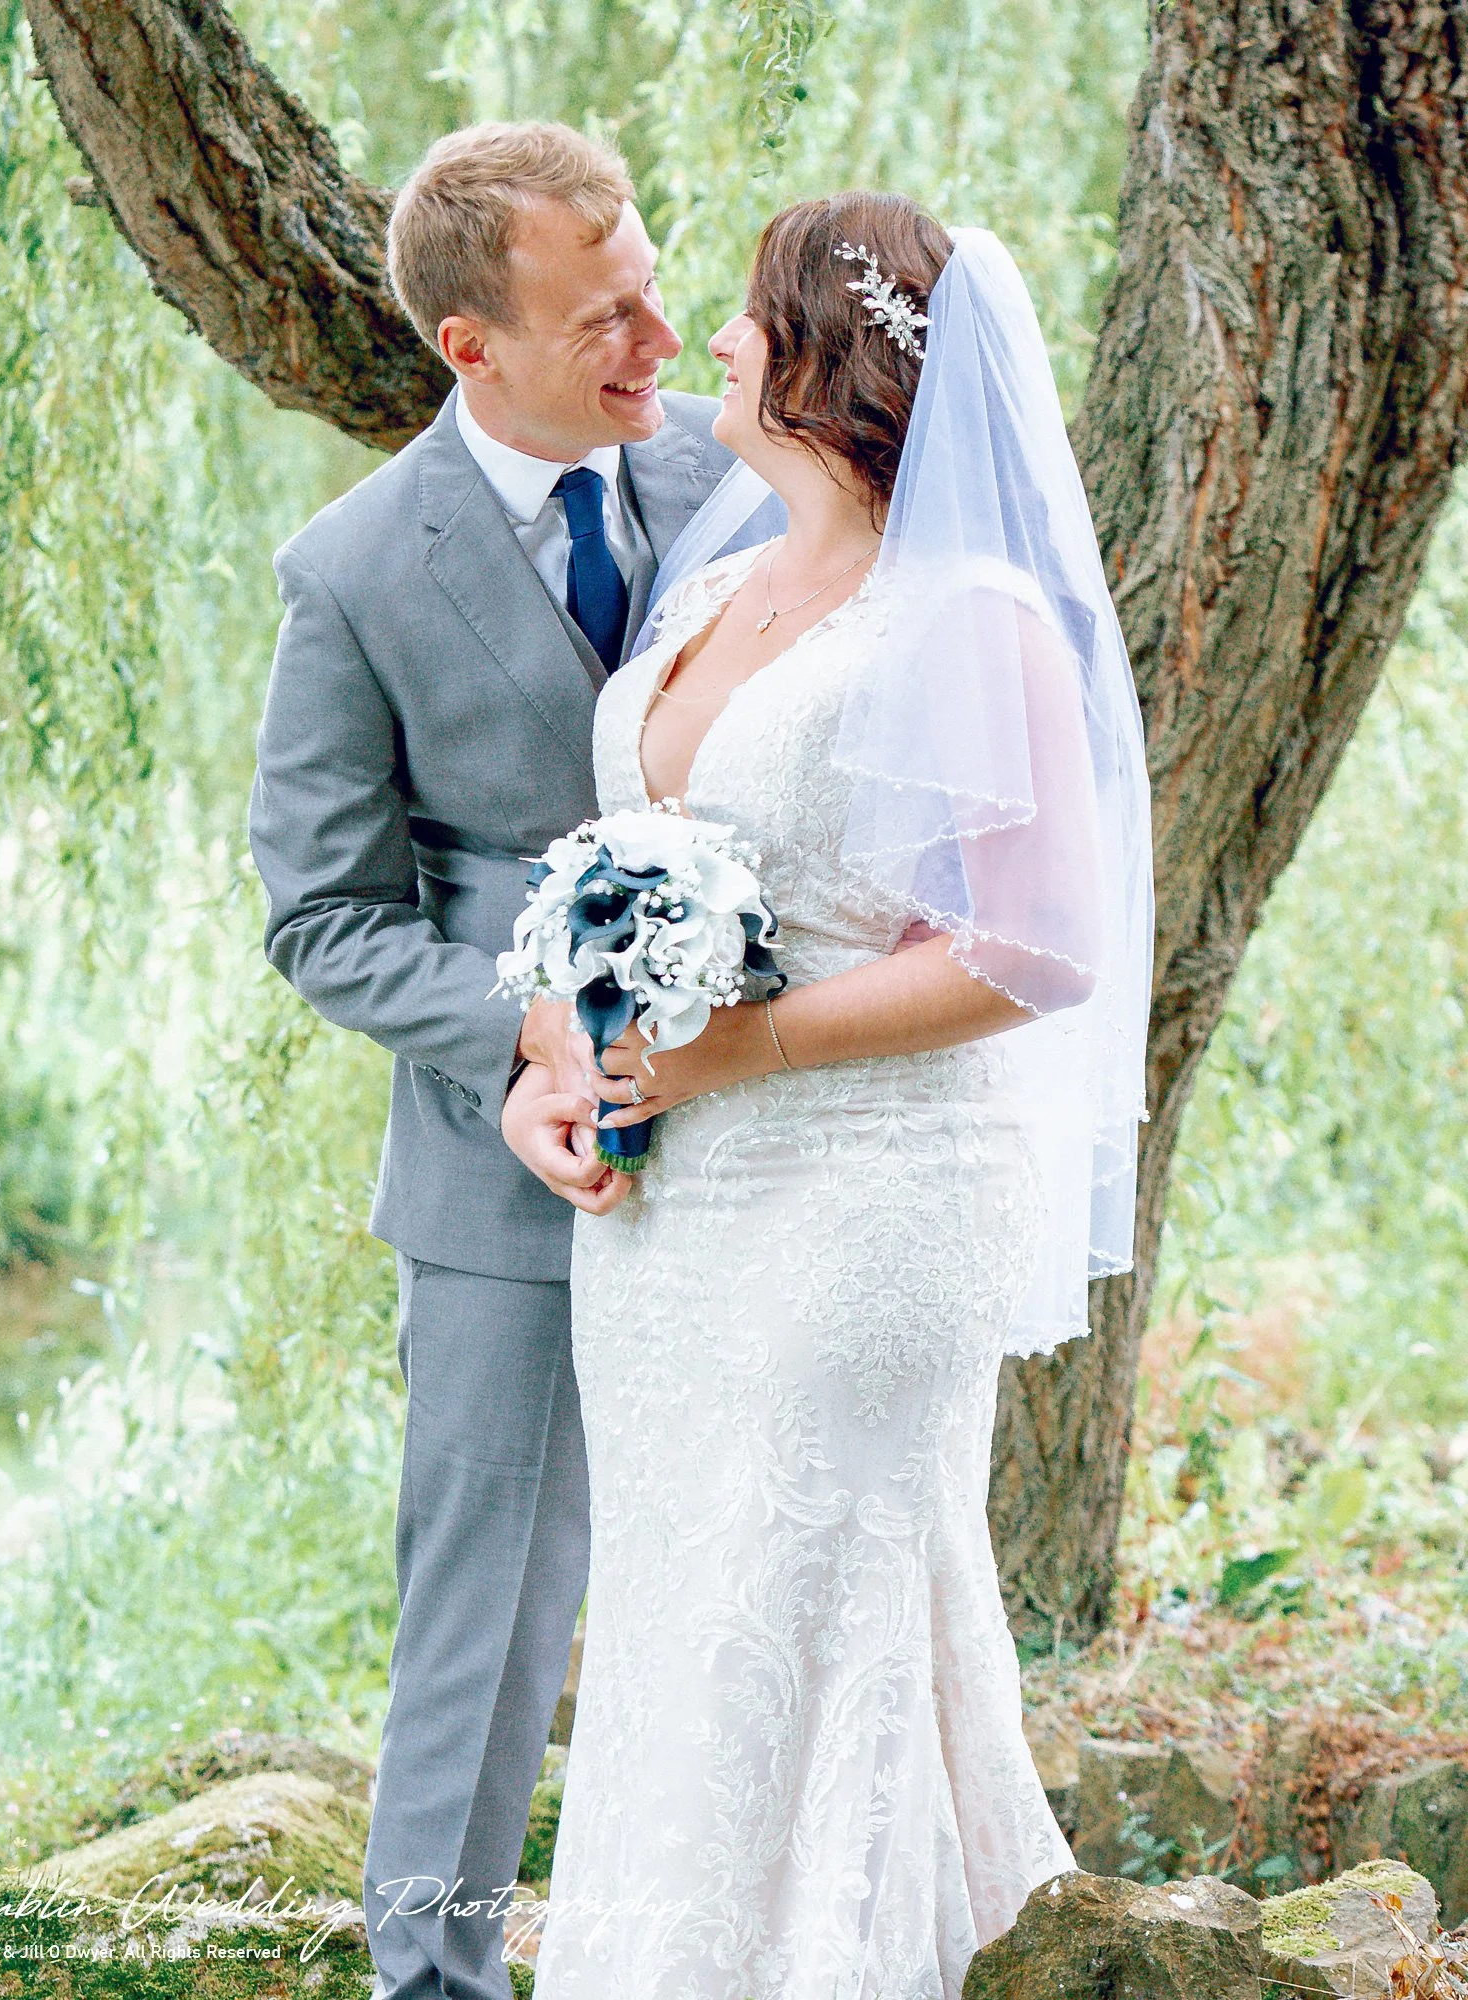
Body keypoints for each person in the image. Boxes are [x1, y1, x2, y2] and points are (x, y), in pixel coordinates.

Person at [502, 190, 1154, 1998]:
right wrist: (556, 1051)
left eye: (743, 312)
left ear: (823, 356)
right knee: (680, 1615)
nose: (710, 340)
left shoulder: (971, 617)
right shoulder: (722, 589)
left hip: (862, 1206)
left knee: (797, 1601)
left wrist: (744, 1048)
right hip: (669, 1224)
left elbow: (1036, 949)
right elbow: (628, 869)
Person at [247, 121, 745, 2000]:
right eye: (606, 318)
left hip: (783, 1132)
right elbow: (322, 914)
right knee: (487, 1630)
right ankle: (434, 1980)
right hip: (499, 1183)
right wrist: (524, 1029)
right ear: (473, 345)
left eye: (654, 287)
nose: (663, 341)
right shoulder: (355, 571)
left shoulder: (748, 477)